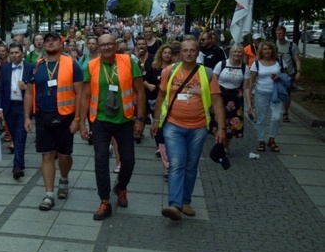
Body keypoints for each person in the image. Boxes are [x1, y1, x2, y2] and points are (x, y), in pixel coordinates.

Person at [151, 39, 226, 221]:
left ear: (197, 53)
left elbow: (217, 101)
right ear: (180, 53)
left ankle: (185, 201)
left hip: (198, 127)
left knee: (191, 166)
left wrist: (222, 128)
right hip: (173, 126)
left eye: (192, 50)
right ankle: (174, 205)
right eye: (185, 50)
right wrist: (155, 120)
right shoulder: (170, 71)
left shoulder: (207, 74)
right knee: (177, 164)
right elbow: (161, 95)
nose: (189, 53)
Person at [78, 34, 146, 220]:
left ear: (116, 45)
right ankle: (104, 201)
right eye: (103, 45)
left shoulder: (128, 61)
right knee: (100, 161)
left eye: (110, 44)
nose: (106, 47)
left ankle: (121, 187)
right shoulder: (91, 66)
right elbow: (84, 96)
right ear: (98, 48)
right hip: (99, 120)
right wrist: (81, 123)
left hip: (124, 119)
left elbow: (140, 92)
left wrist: (140, 119)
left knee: (129, 161)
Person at [24, 31, 83, 211]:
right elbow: (28, 92)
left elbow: (80, 94)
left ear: (61, 43)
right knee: (47, 155)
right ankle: (49, 195)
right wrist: (27, 116)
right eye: (47, 41)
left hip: (66, 117)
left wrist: (78, 120)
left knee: (64, 156)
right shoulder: (35, 66)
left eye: (53, 40)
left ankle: (63, 179)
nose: (49, 43)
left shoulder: (72, 64)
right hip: (43, 116)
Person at [0, 43, 33, 180]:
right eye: (11, 53)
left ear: (22, 54)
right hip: (9, 106)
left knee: (20, 135)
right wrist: (0, 108)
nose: (14, 55)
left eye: (17, 53)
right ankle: (20, 163)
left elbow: (35, 88)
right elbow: (0, 90)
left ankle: (16, 166)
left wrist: (26, 88)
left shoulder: (30, 67)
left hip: (23, 106)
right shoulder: (5, 68)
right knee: (15, 136)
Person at [211, 44, 252, 153]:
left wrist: (250, 103)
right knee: (219, 121)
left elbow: (246, 87)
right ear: (230, 53)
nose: (237, 54)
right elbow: (213, 81)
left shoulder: (245, 68)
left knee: (232, 124)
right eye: (235, 52)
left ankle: (226, 145)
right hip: (221, 96)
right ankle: (218, 143)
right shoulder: (221, 64)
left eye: (239, 52)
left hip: (236, 98)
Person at [250, 41, 284, 152]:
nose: (267, 51)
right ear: (261, 51)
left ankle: (271, 139)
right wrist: (250, 95)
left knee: (276, 117)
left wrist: (279, 77)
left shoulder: (279, 61)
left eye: (269, 49)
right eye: (264, 49)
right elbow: (252, 80)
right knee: (261, 118)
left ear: (272, 50)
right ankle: (261, 140)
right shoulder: (257, 63)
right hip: (261, 93)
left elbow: (286, 76)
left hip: (276, 93)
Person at [275, 25, 301, 122]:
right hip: (276, 74)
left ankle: (285, 112)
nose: (279, 35)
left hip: (288, 74)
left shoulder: (292, 46)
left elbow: (297, 59)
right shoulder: (273, 45)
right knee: (275, 93)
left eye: (280, 33)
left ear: (285, 34)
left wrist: (298, 72)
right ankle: (276, 112)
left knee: (286, 94)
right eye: (277, 33)